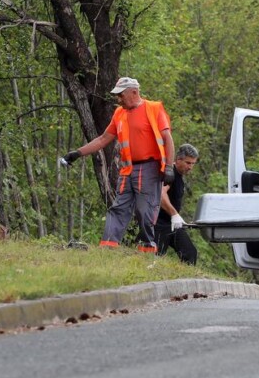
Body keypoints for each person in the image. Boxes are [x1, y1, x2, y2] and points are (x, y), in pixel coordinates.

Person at [58, 76, 175, 253]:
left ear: (134, 92)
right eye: (117, 96)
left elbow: (168, 139)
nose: (118, 99)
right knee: (118, 207)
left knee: (145, 210)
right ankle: (108, 247)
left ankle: (147, 249)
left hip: (150, 168)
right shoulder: (119, 113)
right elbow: (103, 139)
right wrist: (77, 153)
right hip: (127, 169)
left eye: (121, 95)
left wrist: (169, 167)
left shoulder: (154, 109)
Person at [155, 144, 200, 264]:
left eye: (193, 164)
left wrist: (177, 218)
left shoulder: (180, 177)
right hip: (159, 223)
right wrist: (174, 214)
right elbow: (161, 195)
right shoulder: (171, 173)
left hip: (173, 224)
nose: (190, 167)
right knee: (156, 257)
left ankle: (188, 279)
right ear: (178, 159)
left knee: (190, 253)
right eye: (188, 163)